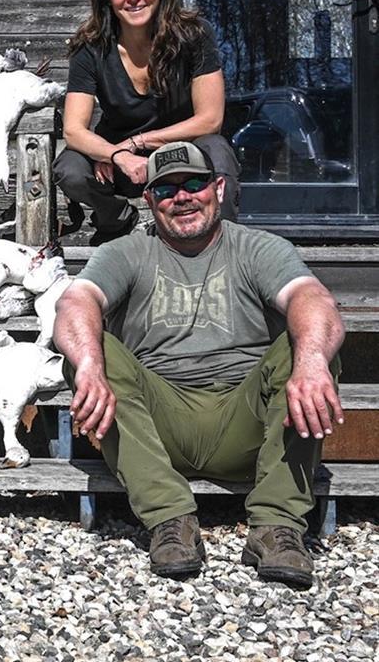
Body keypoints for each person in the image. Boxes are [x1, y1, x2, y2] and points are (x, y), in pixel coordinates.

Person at [53, 140, 345, 587]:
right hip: (157, 428)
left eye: (195, 183)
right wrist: (90, 364)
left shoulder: (256, 248)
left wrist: (310, 362)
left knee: (308, 345)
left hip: (246, 421)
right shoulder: (128, 252)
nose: (183, 197)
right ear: (150, 201)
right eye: (167, 190)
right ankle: (171, 519)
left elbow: (312, 297)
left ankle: (278, 525)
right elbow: (77, 300)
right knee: (92, 351)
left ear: (219, 188)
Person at [56, 0, 241, 243]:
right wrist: (117, 154)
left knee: (217, 149)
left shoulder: (194, 35)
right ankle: (116, 220)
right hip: (122, 168)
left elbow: (210, 119)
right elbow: (74, 130)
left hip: (184, 156)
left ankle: (225, 243)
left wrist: (136, 141)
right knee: (70, 167)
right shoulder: (91, 47)